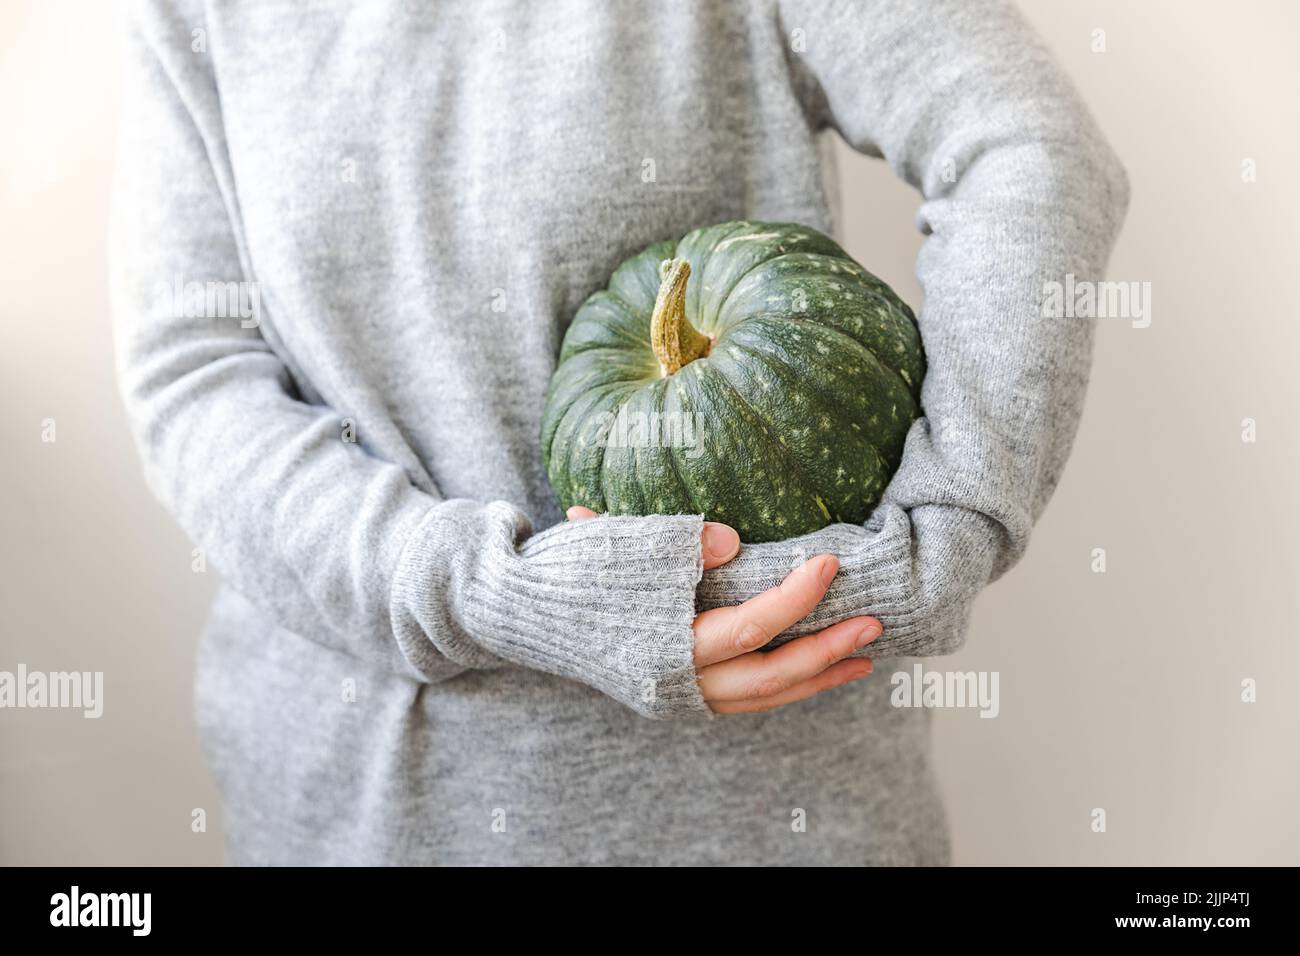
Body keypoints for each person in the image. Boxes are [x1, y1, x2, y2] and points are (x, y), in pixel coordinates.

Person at [111, 0, 1128, 865]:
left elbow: (1027, 143)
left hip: (763, 815)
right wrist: (486, 592)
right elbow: (194, 373)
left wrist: (949, 526)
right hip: (364, 811)